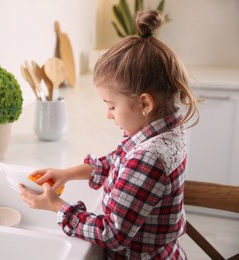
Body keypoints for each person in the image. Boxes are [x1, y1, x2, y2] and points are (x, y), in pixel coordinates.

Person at [19, 10, 199, 259]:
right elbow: (117, 162)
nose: (108, 114)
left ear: (145, 104)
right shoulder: (165, 129)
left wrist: (57, 207)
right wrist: (67, 174)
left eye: (112, 105)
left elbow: (111, 234)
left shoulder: (148, 158)